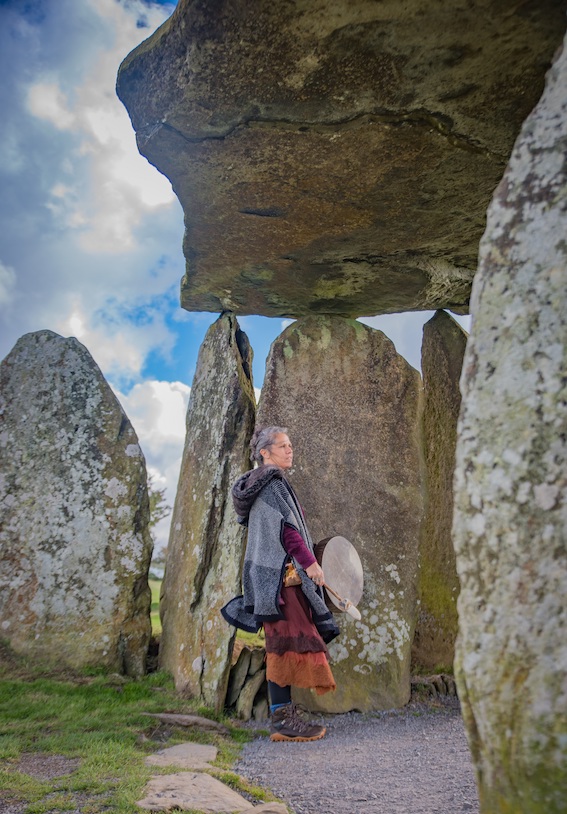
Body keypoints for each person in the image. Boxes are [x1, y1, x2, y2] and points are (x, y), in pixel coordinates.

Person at [221, 426, 339, 742]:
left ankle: (283, 717)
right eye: (283, 445)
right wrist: (310, 564)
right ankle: (282, 721)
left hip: (272, 581)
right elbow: (287, 531)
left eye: (290, 445)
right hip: (280, 584)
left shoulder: (263, 484)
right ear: (265, 452)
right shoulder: (271, 484)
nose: (290, 450)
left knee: (282, 644)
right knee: (284, 644)